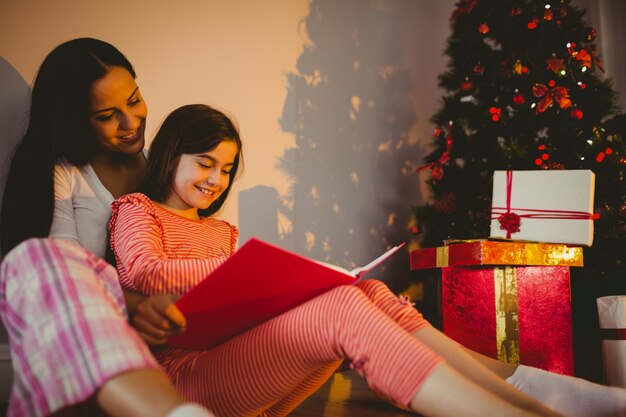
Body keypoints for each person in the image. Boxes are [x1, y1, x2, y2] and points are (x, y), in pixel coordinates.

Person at [109, 103, 625, 417]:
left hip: (244, 383)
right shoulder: (137, 209)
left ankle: (529, 390)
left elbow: (238, 312)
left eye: (226, 169)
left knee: (367, 292)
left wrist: (280, 282)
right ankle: (529, 408)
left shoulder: (223, 232)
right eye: (205, 163)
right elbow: (144, 275)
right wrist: (254, 273)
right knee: (339, 307)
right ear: (170, 152)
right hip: (179, 382)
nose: (215, 179)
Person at [0, 38, 213, 417]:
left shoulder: (165, 169)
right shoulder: (62, 175)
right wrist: (138, 306)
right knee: (43, 256)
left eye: (134, 99)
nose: (131, 124)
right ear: (75, 120)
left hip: (170, 348)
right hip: (80, 345)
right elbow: (62, 274)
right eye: (106, 115)